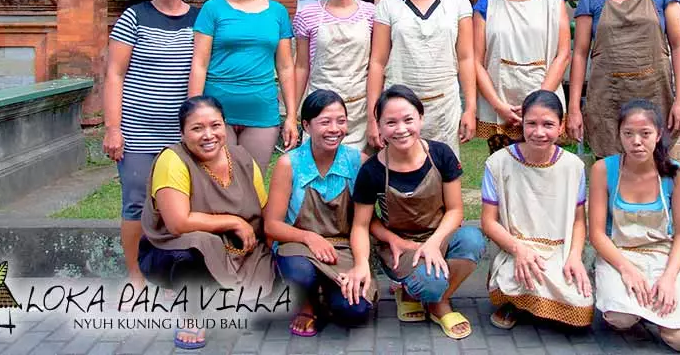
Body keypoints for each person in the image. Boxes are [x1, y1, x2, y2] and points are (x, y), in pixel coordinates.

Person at [348, 85, 485, 340]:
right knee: (428, 283)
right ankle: (413, 290)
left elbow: (455, 210)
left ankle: (439, 303)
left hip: (439, 236)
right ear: (378, 126)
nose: (401, 129)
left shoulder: (441, 154)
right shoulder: (372, 170)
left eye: (408, 119)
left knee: (472, 241)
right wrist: (365, 261)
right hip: (401, 247)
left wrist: (434, 244)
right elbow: (361, 224)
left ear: (421, 118)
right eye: (390, 122)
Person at [139, 96, 276, 349]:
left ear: (225, 126)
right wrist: (233, 221)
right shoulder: (173, 160)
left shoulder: (242, 157)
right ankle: (192, 313)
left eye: (215, 125)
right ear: (182, 132)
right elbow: (178, 223)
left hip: (238, 250)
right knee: (197, 245)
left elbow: (265, 210)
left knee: (274, 291)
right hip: (174, 249)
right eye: (197, 128)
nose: (208, 135)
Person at [103, 0, 200, 286]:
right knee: (135, 203)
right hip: (138, 130)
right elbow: (114, 74)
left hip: (184, 134)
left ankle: (178, 273)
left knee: (181, 204)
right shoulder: (134, 17)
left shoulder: (200, 19)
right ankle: (135, 278)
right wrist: (113, 128)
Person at [567, 0, 680, 157]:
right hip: (607, 100)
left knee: (652, 167)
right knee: (611, 169)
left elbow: (679, 46)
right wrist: (574, 108)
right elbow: (580, 54)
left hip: (654, 95)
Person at [589, 99, 680, 352]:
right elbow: (596, 233)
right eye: (628, 134)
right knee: (620, 318)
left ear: (658, 134)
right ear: (619, 135)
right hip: (619, 255)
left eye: (645, 133)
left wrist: (669, 277)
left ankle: (654, 309)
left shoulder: (675, 173)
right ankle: (628, 301)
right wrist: (626, 269)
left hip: (662, 256)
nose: (636, 141)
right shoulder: (603, 170)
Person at [265, 89, 376, 337]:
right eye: (325, 122)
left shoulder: (358, 161)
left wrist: (362, 264)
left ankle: (330, 292)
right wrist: (309, 237)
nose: (334, 129)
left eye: (341, 121)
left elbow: (367, 221)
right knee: (300, 274)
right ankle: (307, 303)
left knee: (354, 312)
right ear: (306, 125)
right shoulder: (289, 164)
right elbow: (271, 225)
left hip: (343, 248)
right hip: (297, 246)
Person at [481, 90, 593, 329]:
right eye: (531, 123)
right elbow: (488, 222)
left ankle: (532, 302)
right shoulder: (498, 163)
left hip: (557, 250)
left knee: (580, 309)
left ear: (561, 126)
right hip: (515, 248)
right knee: (516, 276)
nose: (539, 132)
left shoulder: (573, 166)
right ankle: (513, 303)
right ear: (522, 124)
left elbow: (578, 221)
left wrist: (574, 256)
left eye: (548, 124)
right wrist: (518, 249)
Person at [189, 0, 298, 171]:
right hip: (215, 112)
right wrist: (193, 112)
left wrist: (291, 116)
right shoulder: (212, 9)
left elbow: (286, 67)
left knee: (252, 181)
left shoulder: (278, 12)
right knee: (216, 180)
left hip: (261, 111)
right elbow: (199, 63)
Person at [367, 0, 476, 156]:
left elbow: (466, 58)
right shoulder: (388, 6)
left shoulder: (457, 2)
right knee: (400, 172)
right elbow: (377, 62)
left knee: (443, 168)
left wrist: (471, 109)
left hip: (444, 106)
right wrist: (373, 117)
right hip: (398, 108)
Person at [474, 0, 571, 150]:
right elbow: (475, 61)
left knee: (545, 170)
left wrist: (538, 103)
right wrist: (499, 106)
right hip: (501, 103)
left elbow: (563, 55)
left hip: (545, 101)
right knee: (505, 170)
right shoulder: (485, 6)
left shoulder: (553, 1)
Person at [294, 0, 375, 150]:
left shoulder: (372, 13)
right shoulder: (307, 14)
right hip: (320, 109)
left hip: (359, 110)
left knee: (359, 174)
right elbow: (301, 66)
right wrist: (291, 112)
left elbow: (377, 64)